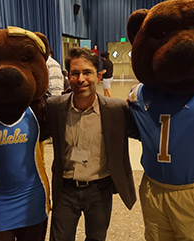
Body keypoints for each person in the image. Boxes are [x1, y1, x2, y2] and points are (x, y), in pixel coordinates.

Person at [42, 47, 137, 241]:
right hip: (66, 188)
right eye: (75, 73)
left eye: (87, 72)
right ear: (68, 76)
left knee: (96, 238)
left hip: (100, 190)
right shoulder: (55, 107)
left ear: (98, 76)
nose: (81, 79)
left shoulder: (116, 109)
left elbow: (145, 132)